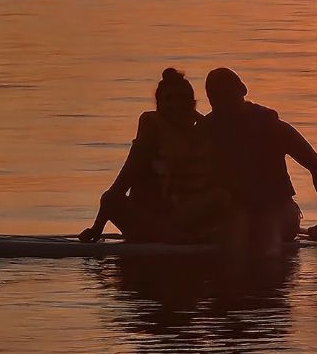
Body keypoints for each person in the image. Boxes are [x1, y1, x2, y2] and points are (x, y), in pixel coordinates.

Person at [80, 69, 228, 243]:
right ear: (159, 105)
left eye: (182, 98)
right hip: (148, 218)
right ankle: (180, 239)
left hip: (183, 218)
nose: (176, 104)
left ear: (192, 103)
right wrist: (96, 228)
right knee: (110, 199)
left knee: (221, 196)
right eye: (169, 99)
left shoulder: (205, 130)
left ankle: (186, 237)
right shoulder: (151, 128)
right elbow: (122, 183)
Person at [202, 67, 317, 256]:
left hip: (278, 209)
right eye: (217, 97)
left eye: (228, 95)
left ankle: (267, 262)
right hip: (235, 211)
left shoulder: (271, 126)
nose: (224, 104)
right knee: (238, 224)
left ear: (243, 90)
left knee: (264, 225)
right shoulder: (205, 130)